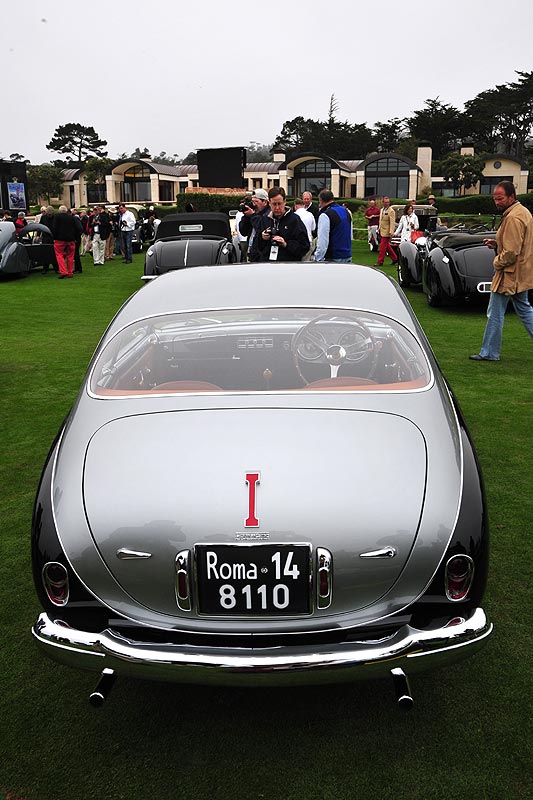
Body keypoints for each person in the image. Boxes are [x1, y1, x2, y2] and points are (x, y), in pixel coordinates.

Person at [469, 181, 533, 362]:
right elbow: (517, 244)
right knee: (525, 310)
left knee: (495, 313)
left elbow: (511, 252)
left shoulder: (513, 217)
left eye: (500, 198)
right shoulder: (522, 212)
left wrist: (497, 261)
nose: (496, 202)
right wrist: (498, 244)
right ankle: (489, 351)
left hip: (510, 273)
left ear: (511, 197)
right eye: (495, 198)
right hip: (521, 272)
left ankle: (489, 352)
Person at [255, 187, 309, 262]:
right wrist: (262, 238)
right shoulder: (264, 220)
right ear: (269, 203)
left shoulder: (294, 220)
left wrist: (286, 244)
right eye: (274, 204)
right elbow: (256, 246)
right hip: (268, 265)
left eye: (279, 204)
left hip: (289, 265)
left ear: (284, 202)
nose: (277, 208)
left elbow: (304, 246)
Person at [314, 189, 352, 263]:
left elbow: (323, 241)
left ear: (321, 200)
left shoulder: (325, 215)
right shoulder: (346, 211)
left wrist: (317, 258)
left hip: (333, 257)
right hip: (347, 254)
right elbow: (350, 234)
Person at [238, 188, 271, 262]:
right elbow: (243, 231)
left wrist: (252, 215)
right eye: (252, 201)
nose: (253, 204)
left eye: (256, 201)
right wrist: (246, 217)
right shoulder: (254, 214)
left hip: (263, 255)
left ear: (265, 202)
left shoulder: (269, 214)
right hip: (252, 252)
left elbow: (261, 227)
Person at [52, 205, 78, 278]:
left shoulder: (57, 217)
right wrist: (75, 238)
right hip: (71, 239)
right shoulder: (71, 217)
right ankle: (70, 272)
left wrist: (54, 237)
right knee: (70, 256)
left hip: (60, 239)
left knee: (59, 255)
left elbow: (54, 228)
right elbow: (75, 228)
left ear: (59, 211)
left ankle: (63, 272)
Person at [376, 196, 398, 267]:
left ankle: (380, 261)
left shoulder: (391, 211)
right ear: (383, 203)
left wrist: (391, 231)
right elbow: (380, 220)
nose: (386, 204)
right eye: (385, 202)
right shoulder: (382, 210)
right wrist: (379, 228)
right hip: (382, 230)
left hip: (387, 231)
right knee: (387, 246)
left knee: (382, 247)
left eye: (388, 202)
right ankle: (395, 259)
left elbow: (392, 222)